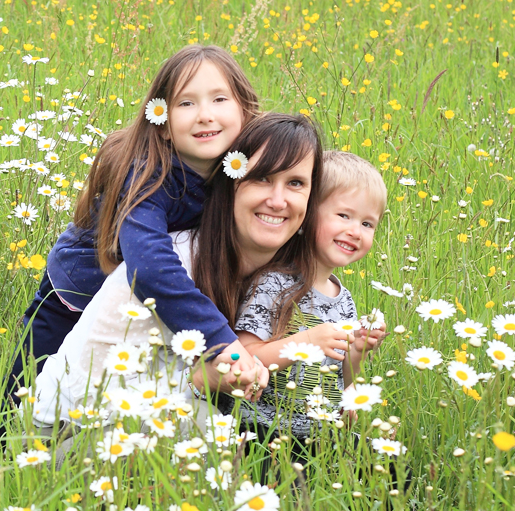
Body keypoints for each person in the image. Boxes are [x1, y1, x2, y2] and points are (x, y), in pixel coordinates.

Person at [26, 114, 352, 437]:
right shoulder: (171, 267)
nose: (278, 200)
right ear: (230, 185)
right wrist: (205, 379)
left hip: (157, 425)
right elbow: (93, 390)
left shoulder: (283, 278)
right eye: (261, 178)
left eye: (295, 183)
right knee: (215, 435)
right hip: (71, 432)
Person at [11, 45, 265, 401]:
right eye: (186, 103)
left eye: (220, 99)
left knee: (131, 402)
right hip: (75, 298)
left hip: (146, 313)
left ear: (245, 110)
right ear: (161, 124)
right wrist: (219, 339)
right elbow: (149, 268)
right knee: (22, 406)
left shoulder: (243, 170)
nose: (205, 115)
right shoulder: (148, 175)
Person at [209, 150, 389, 442]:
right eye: (344, 215)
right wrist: (307, 342)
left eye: (367, 224)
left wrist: (357, 353)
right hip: (261, 430)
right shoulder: (274, 284)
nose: (356, 231)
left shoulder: (343, 299)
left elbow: (341, 375)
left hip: (318, 436)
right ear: (307, 215)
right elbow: (245, 357)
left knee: (395, 470)